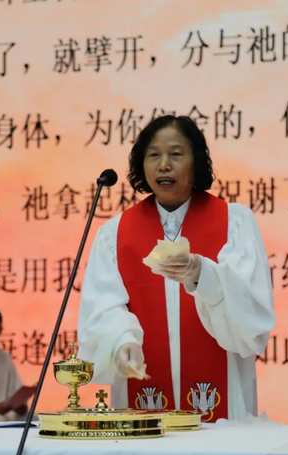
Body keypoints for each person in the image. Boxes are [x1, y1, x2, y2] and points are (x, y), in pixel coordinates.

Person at [77, 115, 275, 422]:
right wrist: (121, 340)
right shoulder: (115, 233)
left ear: (197, 162)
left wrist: (203, 274)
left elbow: (250, 310)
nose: (164, 165)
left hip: (219, 410)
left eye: (176, 154)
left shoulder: (233, 223)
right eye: (153, 155)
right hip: (141, 402)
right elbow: (103, 305)